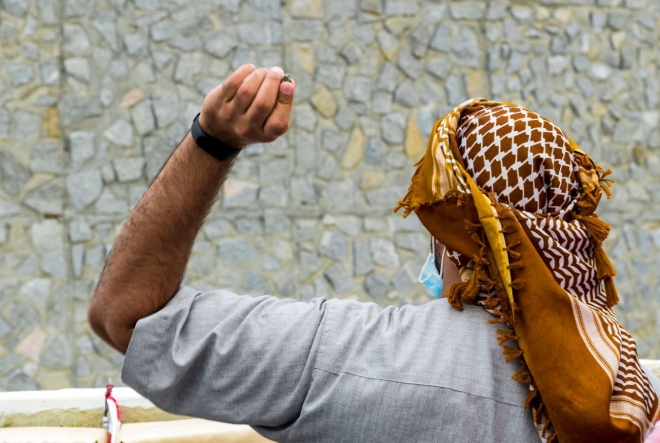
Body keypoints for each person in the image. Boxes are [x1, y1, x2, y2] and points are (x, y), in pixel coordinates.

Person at [88, 65, 660, 442]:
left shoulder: (350, 357)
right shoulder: (625, 386)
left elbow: (126, 316)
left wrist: (213, 140)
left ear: (453, 230)